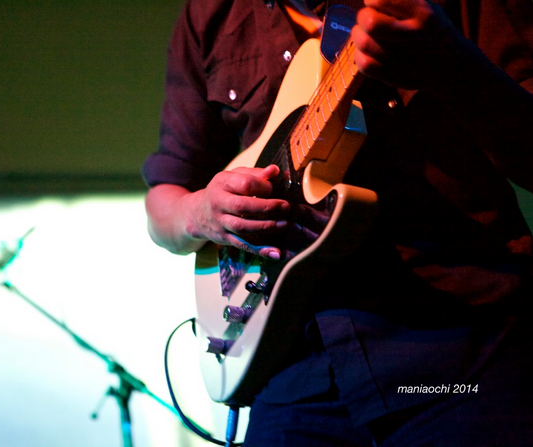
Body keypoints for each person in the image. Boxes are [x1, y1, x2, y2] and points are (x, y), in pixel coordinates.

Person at [143, 0, 533, 445]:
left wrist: (451, 63)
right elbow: (163, 202)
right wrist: (200, 213)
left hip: (465, 355)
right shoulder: (210, 14)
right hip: (290, 376)